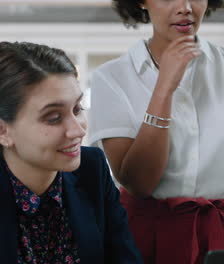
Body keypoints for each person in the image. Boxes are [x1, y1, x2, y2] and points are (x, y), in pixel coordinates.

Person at [88, 0, 224, 263]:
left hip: (216, 238)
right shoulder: (112, 78)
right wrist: (164, 89)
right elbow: (138, 183)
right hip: (143, 240)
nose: (185, 7)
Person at [0, 41, 143, 263]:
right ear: (3, 131)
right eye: (54, 118)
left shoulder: (92, 168)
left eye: (77, 109)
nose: (78, 130)